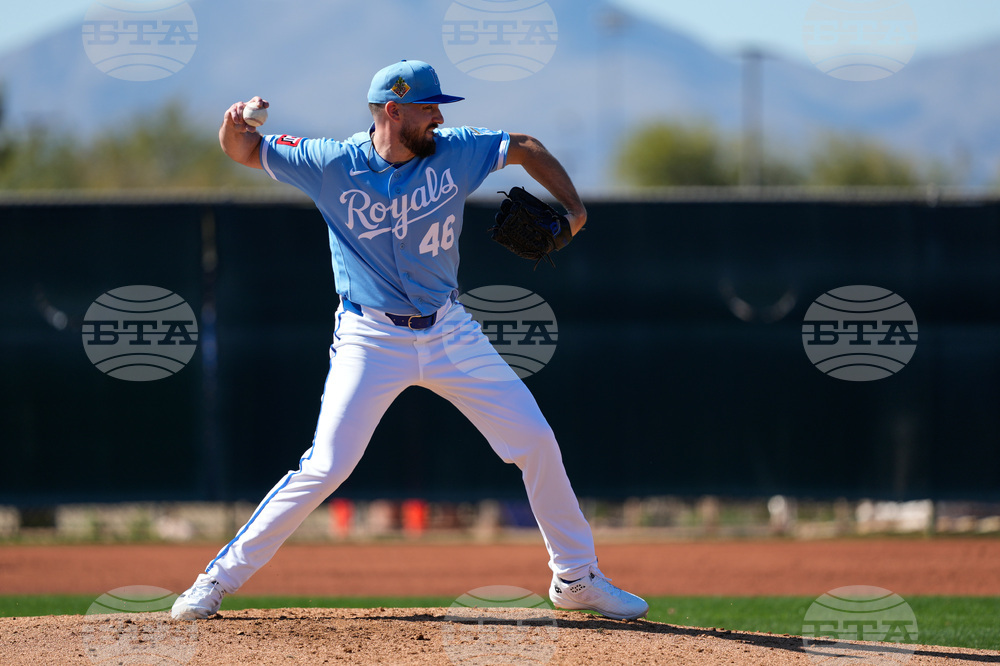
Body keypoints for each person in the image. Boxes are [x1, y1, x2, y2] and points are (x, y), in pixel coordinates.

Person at [171, 60, 647, 621]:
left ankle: (576, 577)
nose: (439, 118)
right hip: (370, 336)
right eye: (429, 108)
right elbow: (244, 150)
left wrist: (575, 209)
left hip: (449, 329)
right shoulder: (331, 162)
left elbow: (524, 146)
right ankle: (215, 580)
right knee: (326, 465)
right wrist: (233, 125)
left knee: (536, 441)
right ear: (393, 111)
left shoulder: (456, 151)